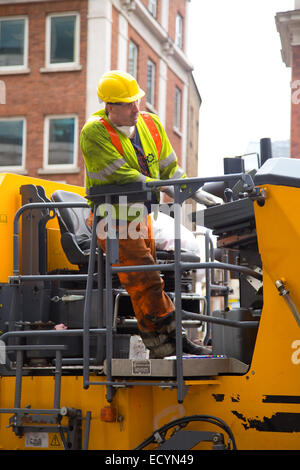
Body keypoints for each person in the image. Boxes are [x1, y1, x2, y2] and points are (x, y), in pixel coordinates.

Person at [80, 70, 215, 358]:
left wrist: (194, 191)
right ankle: (171, 341)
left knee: (145, 282)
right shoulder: (95, 132)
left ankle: (160, 345)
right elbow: (123, 174)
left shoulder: (150, 125)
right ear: (110, 107)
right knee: (146, 279)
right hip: (112, 218)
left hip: (139, 216)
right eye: (128, 104)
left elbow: (169, 166)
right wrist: (162, 185)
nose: (136, 109)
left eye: (137, 101)